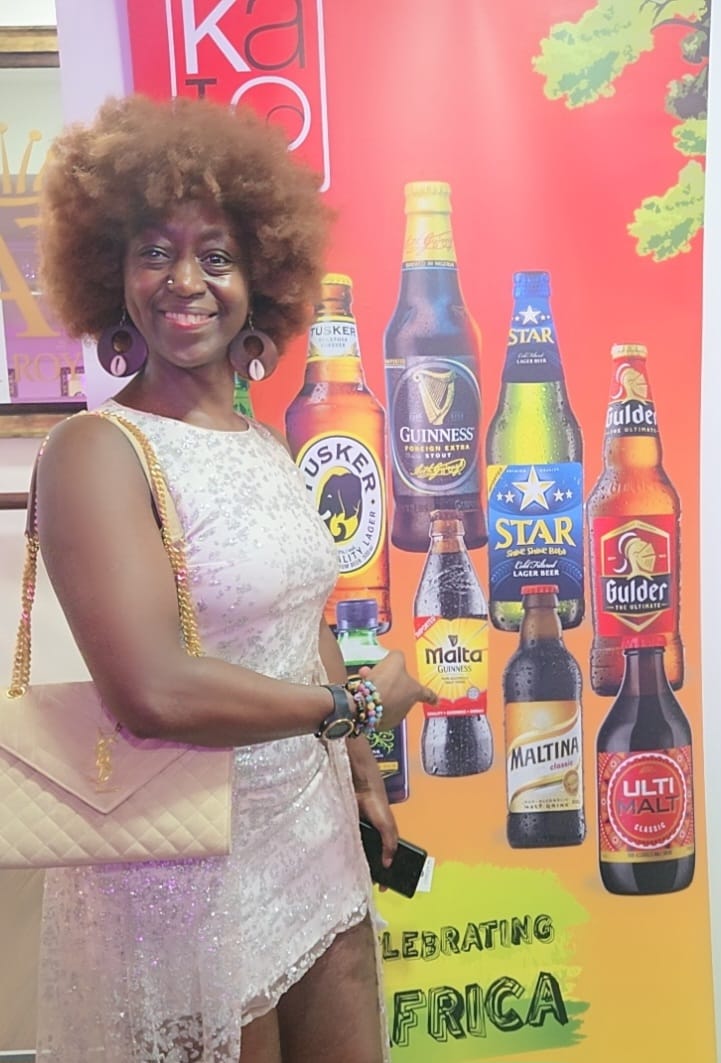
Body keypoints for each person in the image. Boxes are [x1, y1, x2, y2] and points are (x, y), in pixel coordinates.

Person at [33, 94, 434, 1063]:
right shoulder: (96, 450)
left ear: (261, 277)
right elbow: (154, 689)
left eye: (215, 255)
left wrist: (356, 762)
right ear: (112, 273)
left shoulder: (262, 443)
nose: (186, 281)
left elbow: (301, 611)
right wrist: (350, 706)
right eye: (154, 252)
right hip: (184, 873)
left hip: (313, 838)